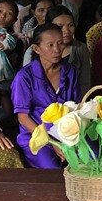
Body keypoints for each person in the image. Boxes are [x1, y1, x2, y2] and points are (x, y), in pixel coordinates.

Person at [12, 23, 80, 168]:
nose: (57, 49)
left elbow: (76, 106)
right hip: (36, 136)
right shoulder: (25, 77)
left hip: (67, 133)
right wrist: (51, 142)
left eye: (60, 43)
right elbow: (23, 117)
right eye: (50, 45)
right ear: (36, 49)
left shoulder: (70, 71)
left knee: (93, 158)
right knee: (52, 168)